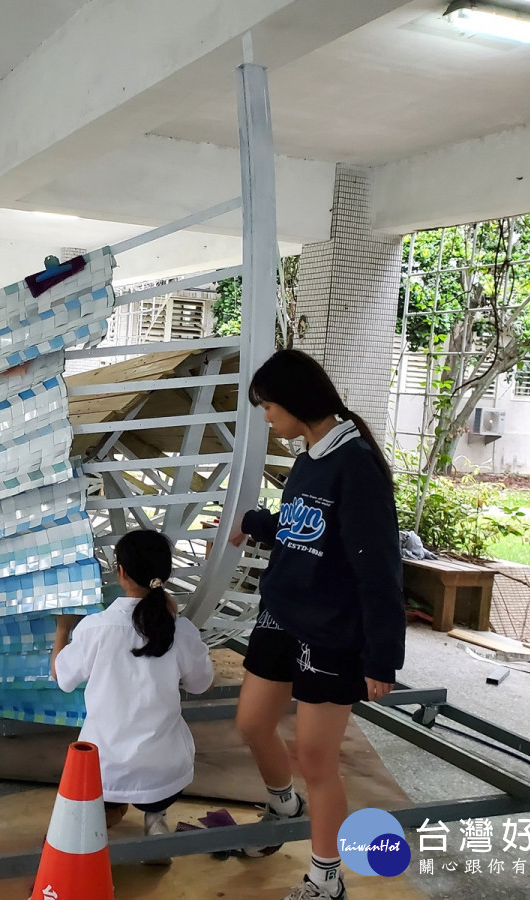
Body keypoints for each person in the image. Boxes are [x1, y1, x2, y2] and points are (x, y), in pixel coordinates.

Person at [227, 349, 405, 900]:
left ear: (296, 403)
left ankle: (326, 876)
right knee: (252, 724)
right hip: (284, 612)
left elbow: (378, 567)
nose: (266, 416)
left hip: (331, 628)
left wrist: (381, 657)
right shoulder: (311, 455)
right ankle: (283, 805)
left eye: (269, 406)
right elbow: (305, 526)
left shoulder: (355, 465)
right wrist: (258, 523)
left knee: (316, 756)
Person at [51, 529, 213, 849]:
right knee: (158, 779)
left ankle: (104, 819)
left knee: (98, 790)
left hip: (103, 772)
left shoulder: (95, 628)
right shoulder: (180, 629)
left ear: (120, 572)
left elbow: (62, 677)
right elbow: (201, 683)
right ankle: (155, 821)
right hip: (165, 772)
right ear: (163, 573)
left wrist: (62, 629)